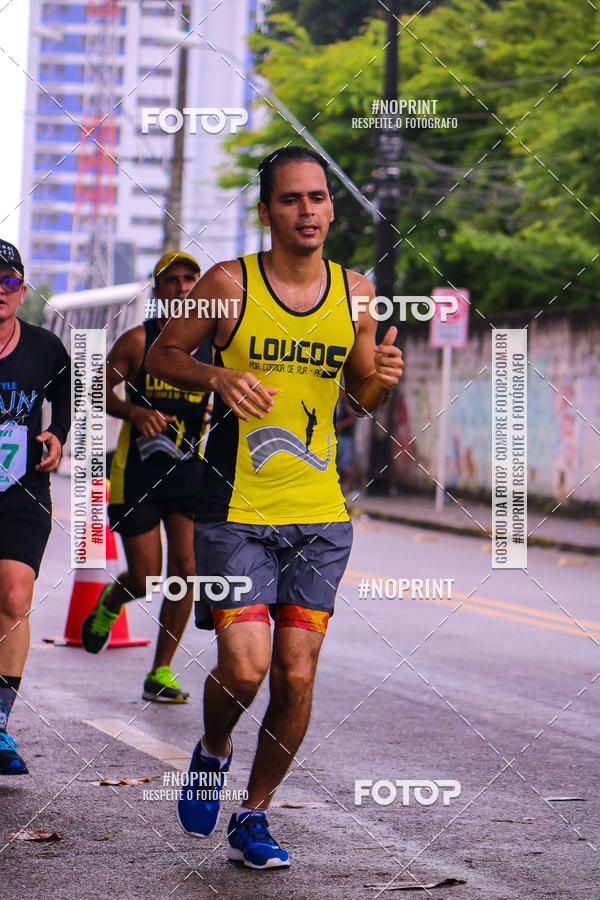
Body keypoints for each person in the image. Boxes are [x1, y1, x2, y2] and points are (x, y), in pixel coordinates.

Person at [146, 146, 404, 868]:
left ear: (331, 207)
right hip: (234, 509)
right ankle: (212, 749)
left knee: (295, 674)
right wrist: (216, 377)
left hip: (320, 517)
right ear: (267, 212)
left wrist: (381, 379)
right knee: (247, 666)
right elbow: (161, 356)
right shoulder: (229, 284)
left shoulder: (356, 293)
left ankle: (254, 815)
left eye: (317, 197)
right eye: (291, 199)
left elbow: (358, 398)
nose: (307, 211)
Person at [80, 252, 211, 704]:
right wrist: (135, 413)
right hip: (136, 474)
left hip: (188, 473)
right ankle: (112, 601)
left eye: (190, 279)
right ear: (158, 291)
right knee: (146, 577)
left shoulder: (212, 348)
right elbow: (97, 390)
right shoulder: (139, 341)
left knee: (186, 571)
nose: (182, 287)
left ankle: (160, 671)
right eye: (171, 280)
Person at [0, 240, 70, 775]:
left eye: (8, 282)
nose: (0, 292)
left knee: (14, 595)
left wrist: (57, 433)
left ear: (22, 290)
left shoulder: (45, 347)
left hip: (22, 491)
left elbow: (71, 392)